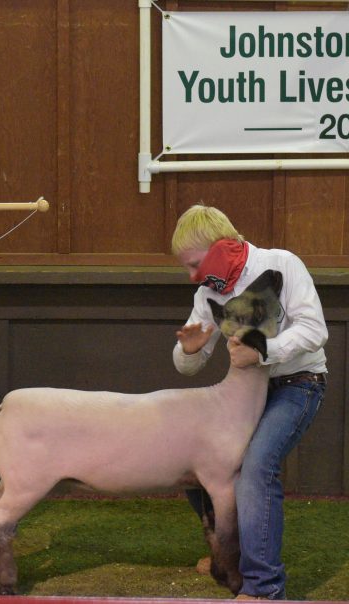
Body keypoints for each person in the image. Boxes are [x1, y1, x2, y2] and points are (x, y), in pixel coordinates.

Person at [171, 205, 327, 600]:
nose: (192, 276)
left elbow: (314, 330)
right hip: (245, 395)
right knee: (194, 457)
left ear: (220, 248)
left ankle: (263, 587)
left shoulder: (282, 263)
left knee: (257, 466)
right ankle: (229, 557)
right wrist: (189, 350)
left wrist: (263, 351)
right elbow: (187, 366)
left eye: (195, 264)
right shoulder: (208, 293)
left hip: (299, 384)